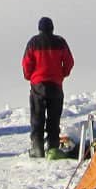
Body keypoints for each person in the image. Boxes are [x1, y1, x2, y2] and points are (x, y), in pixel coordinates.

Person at [22, 16, 75, 158]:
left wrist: (30, 77)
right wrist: (62, 74)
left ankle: (37, 148)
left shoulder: (33, 42)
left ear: (39, 29)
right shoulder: (60, 42)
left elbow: (26, 63)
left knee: (37, 116)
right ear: (52, 28)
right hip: (56, 85)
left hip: (38, 85)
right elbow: (69, 62)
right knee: (54, 118)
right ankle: (52, 148)